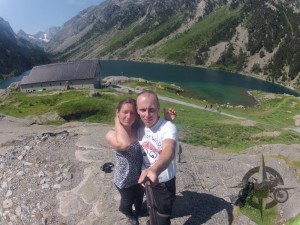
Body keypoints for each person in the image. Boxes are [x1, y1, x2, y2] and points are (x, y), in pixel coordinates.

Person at [105, 98, 176, 225]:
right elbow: (124, 144)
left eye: (132, 113)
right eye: (124, 112)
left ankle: (139, 209)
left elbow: (154, 130)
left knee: (139, 197)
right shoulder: (111, 134)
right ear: (118, 112)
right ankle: (127, 212)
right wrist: (117, 120)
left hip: (140, 174)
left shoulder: (137, 128)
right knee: (128, 200)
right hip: (124, 178)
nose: (128, 116)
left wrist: (167, 121)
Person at [136, 90, 178, 225]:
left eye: (152, 110)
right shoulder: (138, 127)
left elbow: (169, 149)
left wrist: (154, 170)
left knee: (163, 216)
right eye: (143, 110)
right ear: (137, 110)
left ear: (158, 109)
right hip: (146, 181)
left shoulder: (169, 127)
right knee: (152, 207)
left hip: (164, 183)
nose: (147, 115)